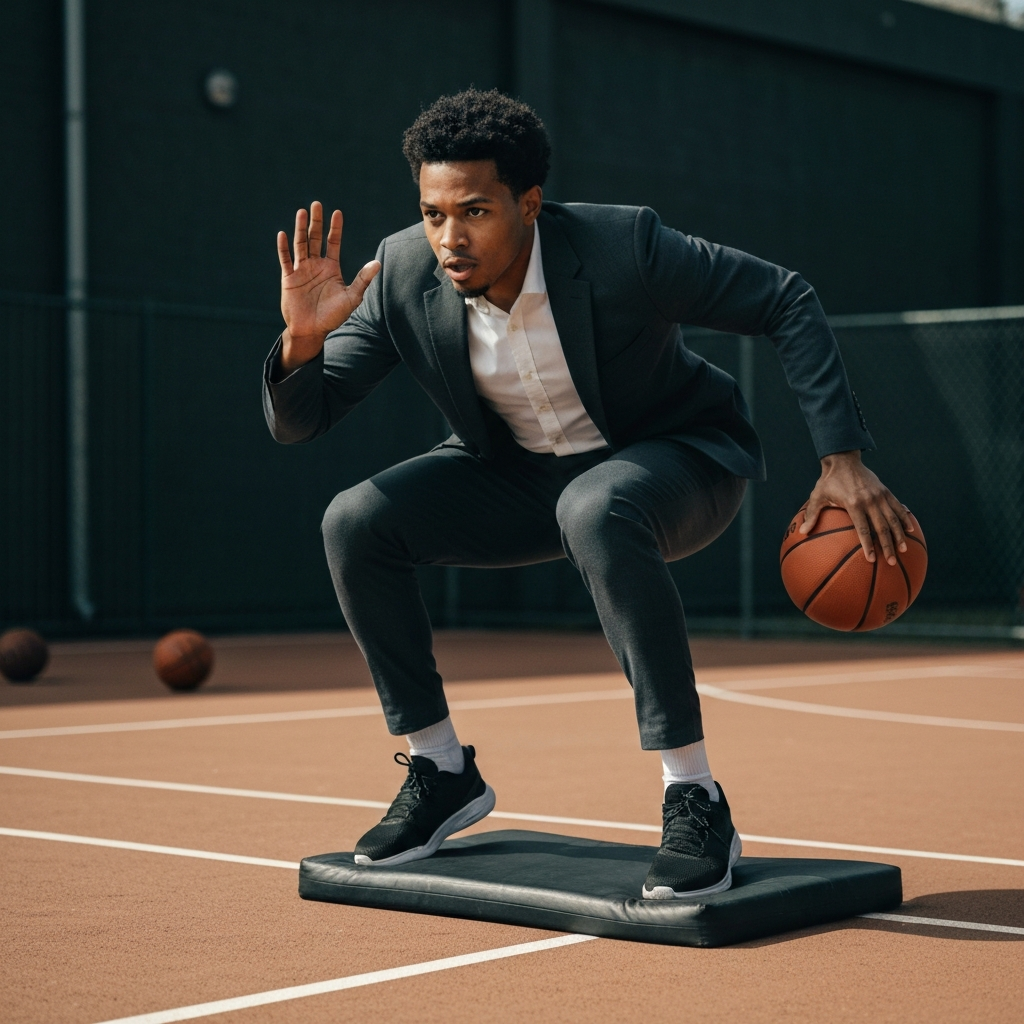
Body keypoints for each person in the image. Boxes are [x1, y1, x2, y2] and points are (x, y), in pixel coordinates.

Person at [263, 89, 912, 900]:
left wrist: (840, 457)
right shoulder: (401, 272)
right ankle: (440, 771)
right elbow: (304, 419)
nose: (449, 238)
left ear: (528, 203)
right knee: (355, 520)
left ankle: (695, 794)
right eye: (432, 214)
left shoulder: (621, 247)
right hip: (522, 480)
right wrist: (301, 342)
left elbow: (786, 298)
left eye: (474, 211)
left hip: (675, 462)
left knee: (596, 506)